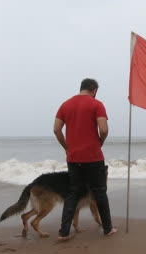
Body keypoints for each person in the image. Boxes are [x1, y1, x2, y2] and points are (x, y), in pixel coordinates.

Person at [54, 78, 117, 241]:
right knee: (100, 193)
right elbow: (103, 129)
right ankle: (108, 228)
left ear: (81, 88)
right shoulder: (97, 104)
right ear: (94, 90)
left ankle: (64, 232)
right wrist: (100, 142)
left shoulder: (65, 105)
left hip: (73, 157)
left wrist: (67, 147)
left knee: (73, 193)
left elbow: (56, 130)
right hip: (93, 157)